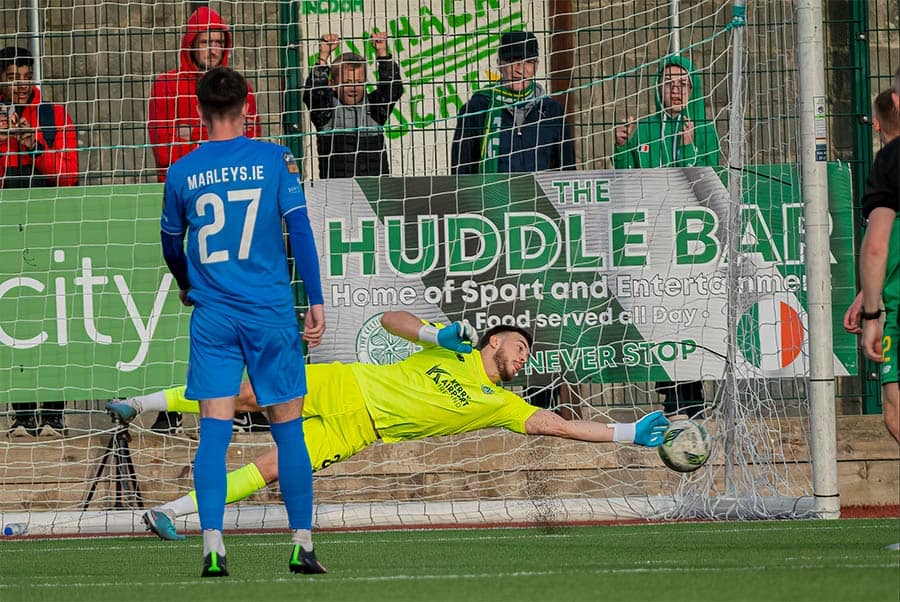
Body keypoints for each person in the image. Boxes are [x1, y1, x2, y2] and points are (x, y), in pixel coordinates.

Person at [105, 310, 671, 541]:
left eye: (527, 353)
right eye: (520, 346)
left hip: (361, 432)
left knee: (271, 469)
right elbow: (387, 320)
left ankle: (167, 513)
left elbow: (554, 427)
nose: (524, 358)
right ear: (494, 340)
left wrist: (626, 433)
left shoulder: (499, 402)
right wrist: (433, 335)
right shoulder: (453, 349)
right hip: (349, 384)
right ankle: (143, 401)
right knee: (250, 395)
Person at [159, 66, 326, 576]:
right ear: (247, 107)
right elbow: (298, 229)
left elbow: (170, 243)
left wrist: (189, 283)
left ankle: (212, 545)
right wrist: (314, 299)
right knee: (289, 431)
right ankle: (301, 542)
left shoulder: (182, 171)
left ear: (200, 111)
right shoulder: (274, 157)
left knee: (213, 431)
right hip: (270, 313)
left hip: (213, 315)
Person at [147, 6, 265, 435]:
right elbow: (164, 151)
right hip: (187, 207)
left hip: (231, 210)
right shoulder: (166, 86)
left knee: (238, 312)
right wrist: (201, 174)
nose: (213, 48)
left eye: (219, 41)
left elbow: (248, 144)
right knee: (187, 319)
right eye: (205, 40)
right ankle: (172, 407)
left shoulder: (238, 88)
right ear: (190, 44)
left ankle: (246, 407)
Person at [613, 54, 721, 417]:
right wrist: (622, 146)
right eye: (669, 83)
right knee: (661, 321)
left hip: (690, 249)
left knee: (691, 318)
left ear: (694, 89)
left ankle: (694, 401)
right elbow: (624, 180)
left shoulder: (704, 128)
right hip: (654, 247)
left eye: (683, 83)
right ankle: (670, 398)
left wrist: (690, 147)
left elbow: (712, 184)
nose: (675, 90)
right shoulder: (643, 128)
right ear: (658, 88)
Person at [1, 46, 78, 438]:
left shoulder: (53, 116)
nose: (19, 85)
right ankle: (22, 412)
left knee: (52, 314)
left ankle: (54, 412)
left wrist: (33, 144)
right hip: (6, 227)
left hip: (48, 224)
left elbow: (68, 176)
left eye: (24, 76)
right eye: (11, 77)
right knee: (14, 316)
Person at [845, 81, 900, 448]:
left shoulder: (887, 169)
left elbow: (878, 247)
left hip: (897, 313)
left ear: (876, 124)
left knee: (895, 413)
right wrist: (868, 290)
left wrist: (871, 315)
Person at [451, 30, 575, 174]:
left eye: (528, 62)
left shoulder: (552, 110)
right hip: (492, 195)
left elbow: (568, 172)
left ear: (537, 65)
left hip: (541, 195)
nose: (520, 70)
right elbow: (461, 174)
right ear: (499, 64)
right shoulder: (477, 108)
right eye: (512, 61)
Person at [302, 31, 403, 178]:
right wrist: (323, 56)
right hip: (337, 192)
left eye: (359, 82)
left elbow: (393, 88)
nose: (354, 88)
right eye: (347, 83)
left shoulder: (375, 108)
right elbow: (314, 93)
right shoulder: (326, 111)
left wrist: (382, 52)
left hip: (376, 191)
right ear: (332, 84)